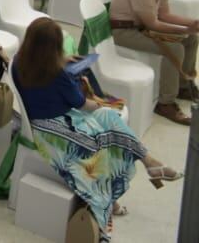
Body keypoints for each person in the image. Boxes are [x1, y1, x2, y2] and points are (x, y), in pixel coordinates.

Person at [13, 18, 182, 235]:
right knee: (108, 126)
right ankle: (115, 193)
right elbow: (83, 104)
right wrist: (98, 99)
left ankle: (150, 162)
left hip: (43, 121)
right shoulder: (58, 76)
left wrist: (62, 62)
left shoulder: (20, 61)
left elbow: (44, 72)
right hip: (56, 130)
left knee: (108, 118)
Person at [108, 0, 199, 125]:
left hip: (140, 26)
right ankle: (165, 103)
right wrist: (185, 30)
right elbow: (153, 24)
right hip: (123, 32)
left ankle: (183, 86)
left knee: (192, 39)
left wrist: (192, 24)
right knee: (175, 48)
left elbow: (165, 15)